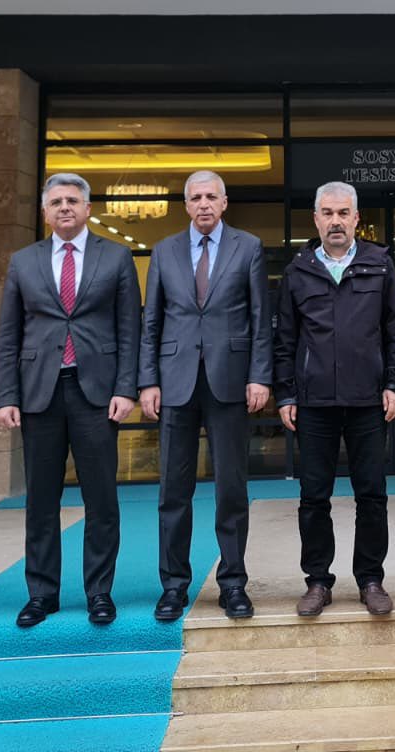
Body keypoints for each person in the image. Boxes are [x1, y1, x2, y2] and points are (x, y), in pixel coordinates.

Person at [0, 173, 140, 629]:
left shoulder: (116, 257)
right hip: (39, 393)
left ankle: (99, 592)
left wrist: (126, 388)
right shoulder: (24, 261)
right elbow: (9, 333)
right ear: (45, 212)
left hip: (96, 392)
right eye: (56, 202)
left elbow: (130, 329)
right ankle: (41, 594)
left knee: (101, 499)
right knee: (40, 500)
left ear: (88, 209)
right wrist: (5, 395)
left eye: (73, 201)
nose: (64, 208)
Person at [138, 171, 272, 622]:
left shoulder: (248, 247)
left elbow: (260, 318)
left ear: (225, 202)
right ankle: (173, 586)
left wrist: (259, 376)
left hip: (230, 380)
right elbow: (152, 321)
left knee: (231, 488)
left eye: (211, 196)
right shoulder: (164, 250)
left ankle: (233, 584)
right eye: (195, 197)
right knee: (173, 490)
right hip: (175, 381)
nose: (204, 204)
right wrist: (148, 381)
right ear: (186, 205)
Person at [274, 182, 395, 618]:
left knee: (372, 495)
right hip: (313, 403)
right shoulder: (298, 271)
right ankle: (318, 581)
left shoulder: (379, 264)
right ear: (316, 219)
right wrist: (286, 392)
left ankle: (371, 580)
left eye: (343, 213)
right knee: (314, 497)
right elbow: (285, 339)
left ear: (356, 218)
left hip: (368, 400)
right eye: (328, 213)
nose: (336, 221)